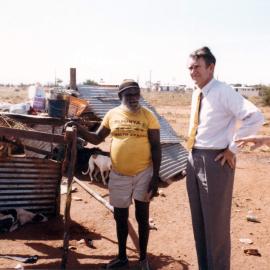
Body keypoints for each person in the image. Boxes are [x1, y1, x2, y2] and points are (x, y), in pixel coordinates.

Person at [68, 79, 161, 270]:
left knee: (142, 217)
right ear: (121, 97)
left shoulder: (148, 116)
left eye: (136, 94)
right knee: (120, 217)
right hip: (118, 173)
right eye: (129, 95)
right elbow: (97, 138)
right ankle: (122, 258)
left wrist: (155, 178)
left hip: (144, 173)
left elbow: (156, 148)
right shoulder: (112, 114)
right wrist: (79, 128)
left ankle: (143, 259)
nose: (134, 98)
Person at [185, 46, 264, 270]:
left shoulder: (222, 91)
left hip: (215, 160)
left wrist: (232, 148)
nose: (193, 71)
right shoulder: (197, 92)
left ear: (211, 67)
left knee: (216, 226)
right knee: (199, 222)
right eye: (190, 67)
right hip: (194, 156)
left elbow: (255, 117)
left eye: (197, 67)